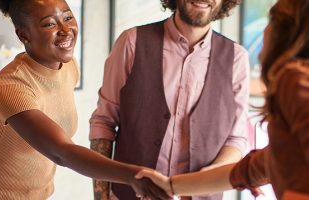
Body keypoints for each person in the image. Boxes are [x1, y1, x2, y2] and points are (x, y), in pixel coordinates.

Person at [135, 0, 309, 199]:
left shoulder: (296, 79)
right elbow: (246, 171)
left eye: (271, 20)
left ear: (286, 32)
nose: (265, 30)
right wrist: (170, 185)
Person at [0, 0, 171, 199]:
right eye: (49, 24)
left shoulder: (69, 67)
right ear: (23, 35)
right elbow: (61, 151)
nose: (66, 31)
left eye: (67, 17)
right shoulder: (11, 86)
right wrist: (133, 175)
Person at [88, 0, 250, 199]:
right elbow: (104, 122)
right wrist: (101, 196)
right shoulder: (131, 42)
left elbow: (236, 139)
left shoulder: (237, 59)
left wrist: (212, 173)